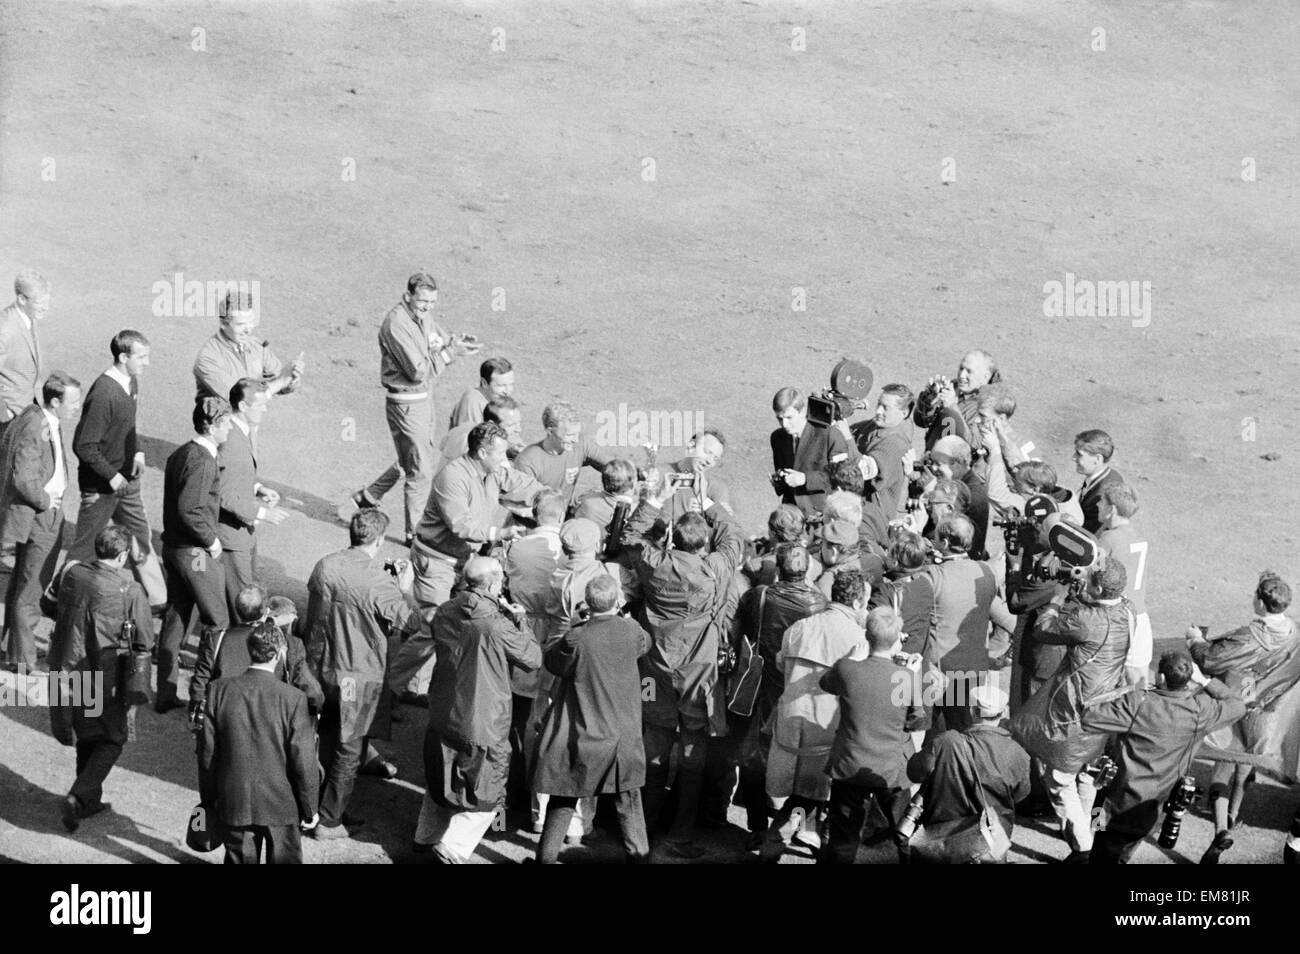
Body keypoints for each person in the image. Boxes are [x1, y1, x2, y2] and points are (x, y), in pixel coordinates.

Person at [620, 474, 745, 858]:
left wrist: (655, 501)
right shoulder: (715, 569)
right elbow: (735, 536)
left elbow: (629, 539)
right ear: (705, 543)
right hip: (699, 674)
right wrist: (708, 501)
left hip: (654, 668)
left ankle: (645, 828)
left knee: (654, 743)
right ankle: (679, 835)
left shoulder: (654, 565)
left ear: (673, 538)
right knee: (693, 750)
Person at [390, 423, 547, 698]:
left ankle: (416, 688)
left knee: (446, 626)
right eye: (500, 453)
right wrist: (500, 532)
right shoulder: (453, 477)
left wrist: (548, 499)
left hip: (463, 561)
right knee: (431, 628)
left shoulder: (493, 470)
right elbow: (459, 525)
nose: (505, 458)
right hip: (436, 562)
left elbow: (520, 483)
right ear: (483, 452)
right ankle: (391, 688)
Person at [416, 556, 542, 863]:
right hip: (484, 719)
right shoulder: (497, 624)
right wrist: (521, 621)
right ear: (494, 583)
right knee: (487, 789)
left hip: (444, 709)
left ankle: (424, 838)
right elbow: (533, 658)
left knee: (441, 778)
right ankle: (452, 848)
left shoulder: (445, 611)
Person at [304, 509, 419, 839]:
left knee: (325, 737)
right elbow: (410, 621)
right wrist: (404, 587)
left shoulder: (325, 565)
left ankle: (316, 805)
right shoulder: (379, 581)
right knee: (349, 749)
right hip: (357, 674)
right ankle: (329, 820)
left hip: (321, 666)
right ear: (380, 539)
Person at [342, 271, 480, 544]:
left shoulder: (423, 316)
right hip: (406, 402)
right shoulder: (396, 325)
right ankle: (414, 534)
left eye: (432, 303)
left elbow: (437, 342)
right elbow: (417, 371)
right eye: (422, 303)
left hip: (423, 399)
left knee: (418, 457)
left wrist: (455, 342)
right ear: (407, 297)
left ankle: (369, 496)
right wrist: (452, 354)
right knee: (421, 470)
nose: (428, 308)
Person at [1082, 650, 1247, 864]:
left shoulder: (1137, 703)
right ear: (1189, 678)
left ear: (1160, 677)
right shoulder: (1200, 710)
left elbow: (1088, 716)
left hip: (1111, 803)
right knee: (1124, 851)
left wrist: (1121, 692)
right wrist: (1205, 681)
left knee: (1100, 846)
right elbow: (1238, 704)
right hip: (1154, 810)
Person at [532, 575, 653, 863]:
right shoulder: (632, 632)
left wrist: (578, 624)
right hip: (620, 737)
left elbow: (554, 662)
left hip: (581, 734)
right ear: (618, 601)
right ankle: (640, 858)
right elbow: (644, 643)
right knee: (629, 803)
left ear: (587, 602)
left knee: (563, 799)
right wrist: (623, 615)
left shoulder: (576, 637)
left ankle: (545, 859)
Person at [1017, 561, 1131, 862]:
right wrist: (1084, 591)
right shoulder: (1127, 610)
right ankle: (1088, 828)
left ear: (1097, 588)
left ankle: (1083, 846)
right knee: (1089, 775)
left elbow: (1044, 630)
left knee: (1058, 777)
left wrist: (1057, 599)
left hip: (1074, 711)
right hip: (1106, 708)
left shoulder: (1086, 619)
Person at [46, 526, 153, 832]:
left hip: (69, 670)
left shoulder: (71, 573)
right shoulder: (129, 590)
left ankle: (89, 800)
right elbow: (145, 639)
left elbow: (47, 604)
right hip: (104, 678)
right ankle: (79, 796)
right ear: (121, 557)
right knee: (112, 738)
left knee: (87, 733)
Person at [1187, 570, 1298, 863]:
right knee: (1245, 768)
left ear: (1261, 603)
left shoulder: (1253, 636)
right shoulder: (1293, 632)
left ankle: (1221, 829)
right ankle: (1234, 816)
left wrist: (1195, 641)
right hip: (1267, 709)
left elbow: (1212, 659)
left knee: (1224, 765)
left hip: (1237, 705)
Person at [760, 570, 868, 863]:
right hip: (827, 730)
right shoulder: (858, 639)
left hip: (790, 723)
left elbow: (782, 665)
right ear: (858, 602)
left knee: (799, 795)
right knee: (820, 799)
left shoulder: (799, 628)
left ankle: (779, 843)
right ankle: (793, 843)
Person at [724, 544, 827, 843]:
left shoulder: (759, 596)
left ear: (779, 569)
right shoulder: (818, 604)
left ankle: (756, 827)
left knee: (752, 757)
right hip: (797, 689)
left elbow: (738, 631)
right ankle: (794, 823)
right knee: (798, 758)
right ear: (806, 572)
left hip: (758, 687)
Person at [199, 620, 320, 864]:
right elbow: (303, 760)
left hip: (235, 799)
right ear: (277, 655)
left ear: (250, 649)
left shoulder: (218, 690)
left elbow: (207, 754)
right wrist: (310, 808)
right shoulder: (293, 698)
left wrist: (209, 800)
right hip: (281, 804)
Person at [819, 606, 925, 863]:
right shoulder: (905, 678)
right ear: (897, 639)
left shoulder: (846, 668)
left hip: (849, 764)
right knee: (900, 833)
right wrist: (912, 676)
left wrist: (855, 659)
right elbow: (917, 721)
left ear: (867, 636)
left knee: (842, 836)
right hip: (890, 769)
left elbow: (825, 683)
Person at [68, 331, 164, 608]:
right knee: (85, 548)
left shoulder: (131, 381)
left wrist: (138, 453)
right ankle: (62, 597)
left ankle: (156, 601)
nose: (147, 362)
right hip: (101, 488)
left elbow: (129, 426)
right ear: (123, 357)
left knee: (140, 537)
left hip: (126, 481)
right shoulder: (103, 393)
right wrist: (111, 476)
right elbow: (84, 445)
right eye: (141, 357)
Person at [155, 397, 234, 713]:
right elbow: (191, 509)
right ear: (212, 426)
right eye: (226, 423)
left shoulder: (182, 453)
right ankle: (201, 696)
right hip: (194, 553)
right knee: (218, 619)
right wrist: (212, 541)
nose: (229, 428)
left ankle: (166, 691)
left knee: (176, 617)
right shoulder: (202, 460)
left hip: (173, 548)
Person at [0, 372, 80, 672]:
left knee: (23, 581)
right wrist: (47, 501)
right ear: (55, 401)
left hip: (37, 514)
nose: (77, 407)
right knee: (32, 588)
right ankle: (23, 659)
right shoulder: (36, 426)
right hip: (42, 515)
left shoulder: (37, 415)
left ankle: (13, 649)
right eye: (72, 401)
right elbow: (23, 478)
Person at [904, 684, 1031, 863]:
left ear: (972, 710)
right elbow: (1020, 794)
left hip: (943, 838)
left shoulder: (945, 742)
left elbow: (914, 773)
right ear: (1003, 713)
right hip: (991, 839)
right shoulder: (1018, 753)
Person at [920, 515, 1016, 734]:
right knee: (966, 735)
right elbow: (1009, 620)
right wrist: (1001, 653)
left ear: (943, 544)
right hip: (973, 674)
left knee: (927, 736)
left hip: (936, 672)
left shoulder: (932, 576)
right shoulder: (986, 573)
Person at [499, 489, 565, 808]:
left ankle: (514, 785)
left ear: (535, 514)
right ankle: (541, 790)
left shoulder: (517, 548)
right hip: (555, 634)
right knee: (549, 714)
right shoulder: (566, 552)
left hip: (521, 631)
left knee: (517, 712)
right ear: (561, 516)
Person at [216, 378, 289, 620]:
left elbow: (233, 474)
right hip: (231, 535)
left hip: (241, 532)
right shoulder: (232, 440)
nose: (265, 409)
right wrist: (263, 513)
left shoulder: (240, 431)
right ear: (243, 407)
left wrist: (258, 488)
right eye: (260, 405)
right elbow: (224, 494)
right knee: (242, 604)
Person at [193, 289, 305, 402]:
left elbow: (278, 379)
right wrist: (281, 382)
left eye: (251, 322)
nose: (248, 330)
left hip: (251, 417)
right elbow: (241, 399)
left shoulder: (255, 345)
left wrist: (291, 379)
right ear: (223, 323)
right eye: (241, 324)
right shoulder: (208, 359)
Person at [514, 401, 624, 510]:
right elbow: (521, 506)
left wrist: (638, 473)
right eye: (569, 435)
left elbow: (618, 468)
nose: (575, 440)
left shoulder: (581, 445)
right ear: (550, 432)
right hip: (535, 521)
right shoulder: (527, 461)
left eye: (577, 434)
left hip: (563, 515)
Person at [1095, 482, 1151, 686]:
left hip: (1119, 619)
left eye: (1102, 502)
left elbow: (1095, 573)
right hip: (1141, 616)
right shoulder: (1138, 535)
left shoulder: (1108, 539)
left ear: (1112, 509)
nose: (1098, 505)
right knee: (1139, 683)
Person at [769, 386, 855, 517]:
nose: (784, 424)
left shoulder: (829, 435)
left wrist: (805, 479)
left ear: (803, 411)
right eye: (780, 419)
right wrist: (779, 481)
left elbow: (843, 477)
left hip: (822, 515)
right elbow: (785, 474)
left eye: (789, 417)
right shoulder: (777, 438)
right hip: (792, 515)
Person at [849, 384, 916, 544]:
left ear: (904, 413)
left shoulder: (896, 443)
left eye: (885, 407)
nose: (878, 411)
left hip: (871, 526)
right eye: (879, 404)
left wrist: (845, 436)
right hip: (854, 512)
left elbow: (862, 471)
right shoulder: (871, 426)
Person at [914, 349, 1001, 451]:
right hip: (932, 459)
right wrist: (927, 402)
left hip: (956, 465)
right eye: (961, 368)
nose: (961, 375)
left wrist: (951, 407)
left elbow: (974, 444)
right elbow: (920, 421)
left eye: (969, 371)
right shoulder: (952, 387)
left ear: (985, 377)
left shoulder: (990, 406)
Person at [0, 269, 48, 445]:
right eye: (40, 303)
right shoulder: (4, 328)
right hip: (9, 418)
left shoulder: (29, 318)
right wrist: (4, 412)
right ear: (21, 299)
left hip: (29, 409)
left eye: (47, 301)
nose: (46, 307)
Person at [573, 458, 640, 547]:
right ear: (630, 487)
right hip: (609, 555)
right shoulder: (632, 512)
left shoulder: (587, 497)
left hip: (580, 545)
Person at [441, 395, 523, 462]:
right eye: (511, 425)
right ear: (491, 424)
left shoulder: (464, 428)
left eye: (518, 423)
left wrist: (507, 452)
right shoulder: (487, 450)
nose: (518, 429)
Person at [1074, 428, 1126, 534]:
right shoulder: (1112, 475)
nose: (1073, 458)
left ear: (1097, 459)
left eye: (1079, 454)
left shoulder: (1100, 497)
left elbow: (1086, 534)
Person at [448, 356, 515, 429]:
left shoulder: (495, 401)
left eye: (511, 384)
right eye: (501, 385)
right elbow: (474, 439)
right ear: (484, 383)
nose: (507, 391)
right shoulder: (472, 402)